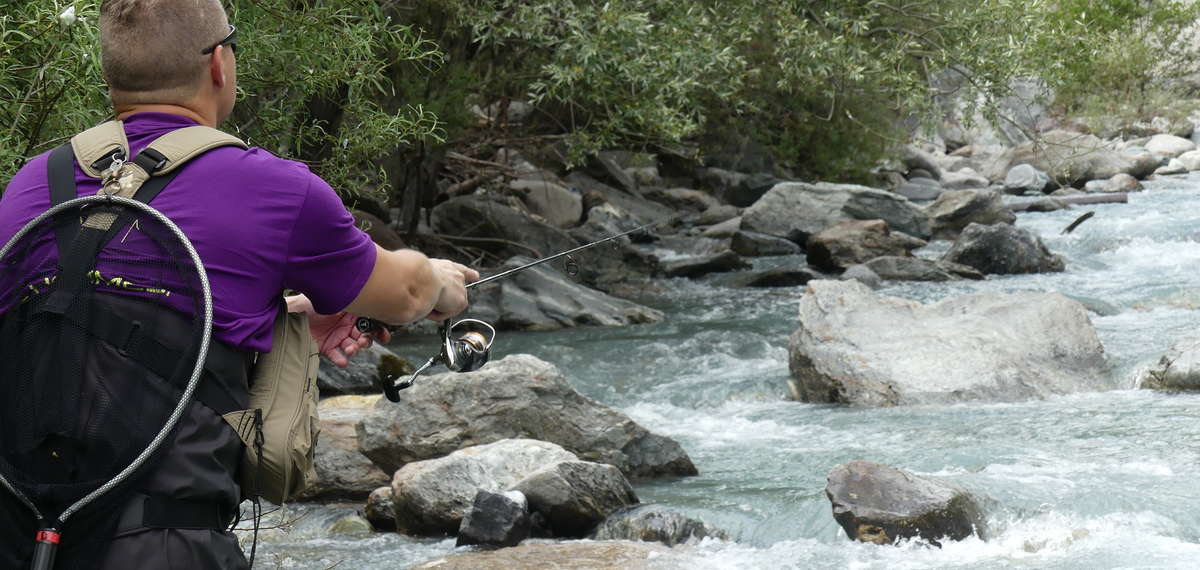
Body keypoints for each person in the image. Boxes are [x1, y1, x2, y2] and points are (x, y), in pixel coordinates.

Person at [0, 0, 478, 567]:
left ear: (111, 74)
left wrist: (275, 312)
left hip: (18, 538)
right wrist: (447, 286)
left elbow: (104, 305)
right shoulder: (274, 190)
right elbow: (406, 294)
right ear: (220, 64)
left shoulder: (29, 187)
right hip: (166, 544)